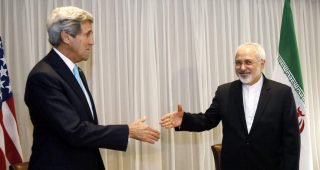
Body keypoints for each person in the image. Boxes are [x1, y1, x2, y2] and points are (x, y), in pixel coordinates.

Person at [24, 6, 160, 170]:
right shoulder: (43, 77)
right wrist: (127, 131)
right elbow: (74, 131)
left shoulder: (75, 71)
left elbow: (86, 125)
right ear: (67, 37)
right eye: (87, 34)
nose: (92, 41)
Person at [160, 42, 300, 170]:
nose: (242, 67)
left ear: (262, 63)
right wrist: (184, 119)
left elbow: (291, 140)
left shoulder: (282, 93)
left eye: (248, 62)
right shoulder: (224, 91)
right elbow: (208, 120)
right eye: (238, 63)